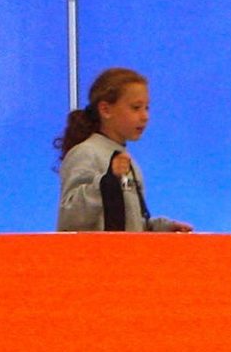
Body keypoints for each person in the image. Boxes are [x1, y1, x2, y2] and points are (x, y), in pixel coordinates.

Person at [56, 67, 192, 233]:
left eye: (146, 108)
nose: (145, 116)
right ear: (106, 110)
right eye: (136, 108)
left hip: (126, 257)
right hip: (97, 258)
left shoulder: (129, 162)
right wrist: (107, 182)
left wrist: (161, 228)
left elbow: (128, 223)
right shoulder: (86, 153)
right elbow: (70, 217)